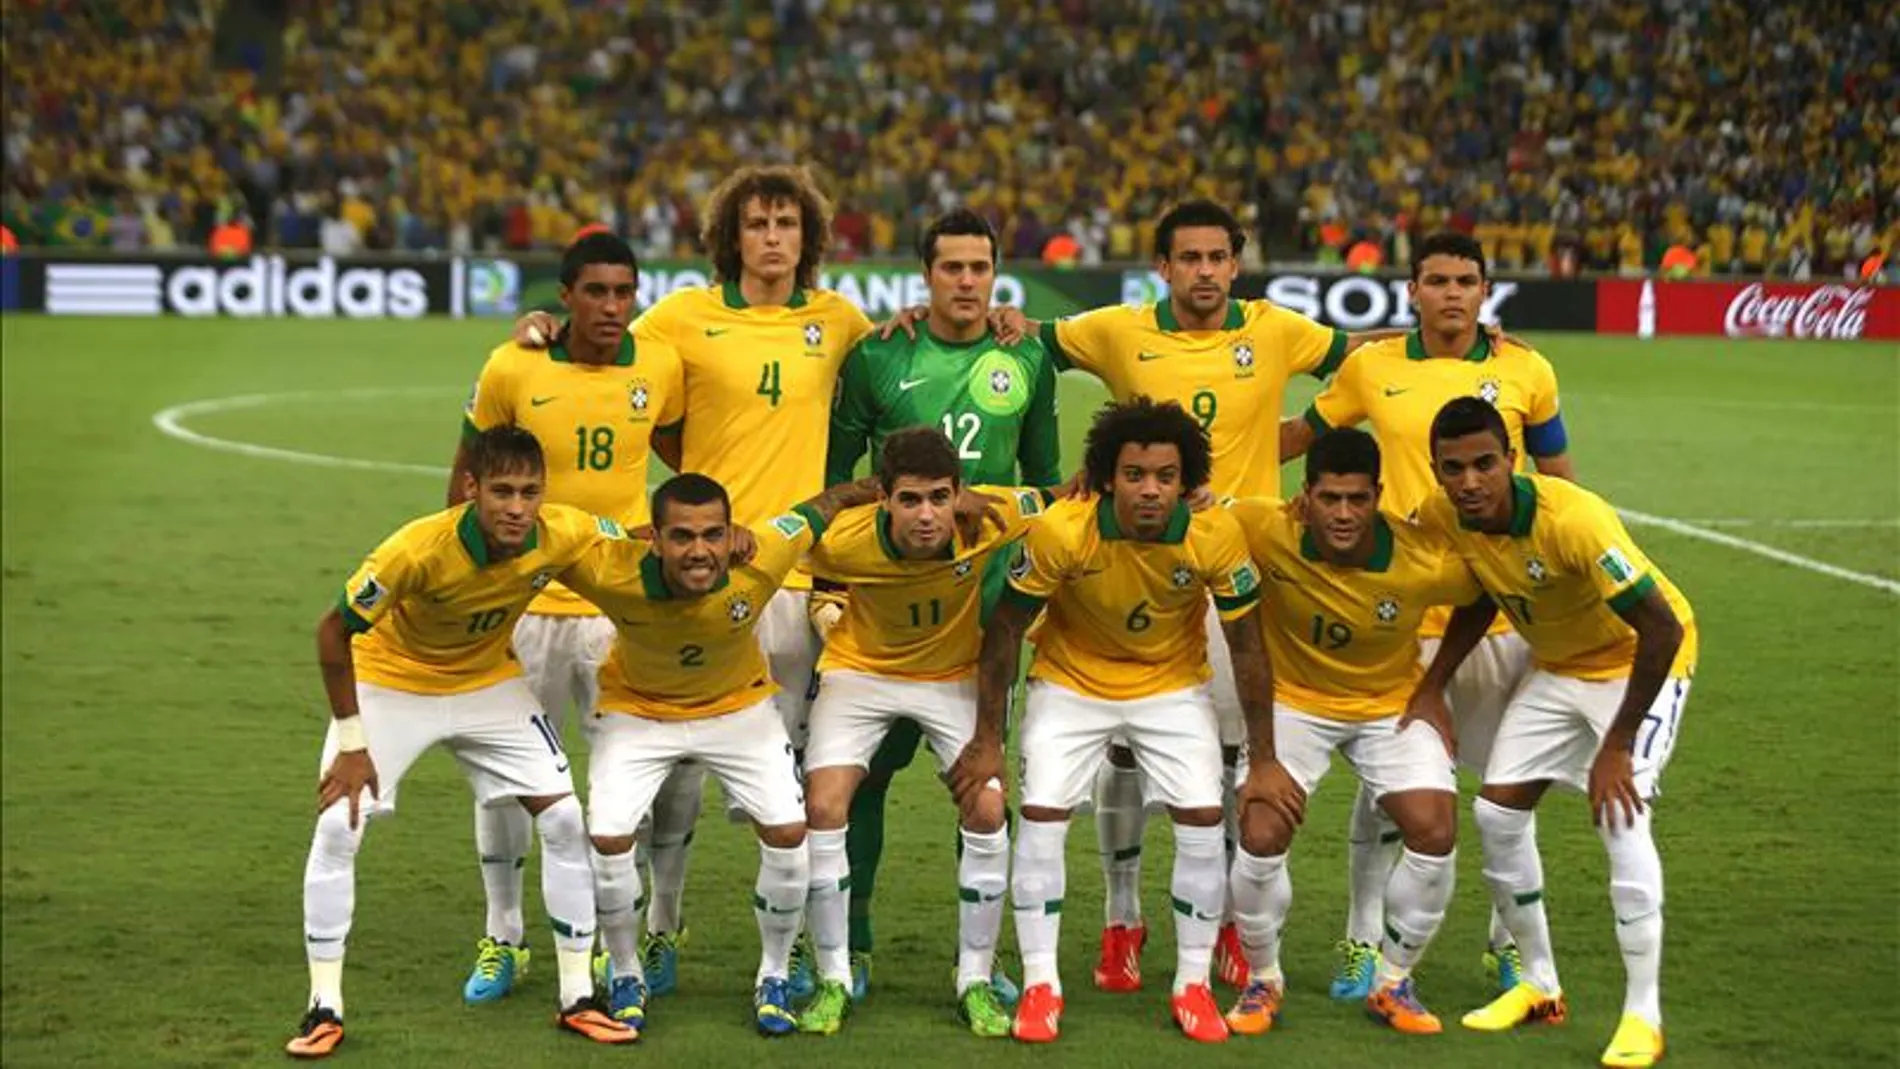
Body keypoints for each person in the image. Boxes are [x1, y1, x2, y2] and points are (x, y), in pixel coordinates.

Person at [511, 165, 875, 994]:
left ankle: (794, 959)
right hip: (695, 572)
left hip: (791, 577)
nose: (774, 237)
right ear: (731, 237)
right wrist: (538, 324)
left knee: (779, 782)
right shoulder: (680, 317)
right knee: (669, 766)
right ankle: (658, 927)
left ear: (808, 237)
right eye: (758, 224)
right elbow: (616, 368)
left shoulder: (839, 318)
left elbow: (895, 362)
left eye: (787, 223)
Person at [1005, 199, 1372, 990]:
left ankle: (1232, 923)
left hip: (1233, 566)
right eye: (1189, 258)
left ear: (1236, 264)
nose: (1205, 271)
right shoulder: (1116, 329)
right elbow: (1028, 341)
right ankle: (1121, 920)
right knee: (1125, 750)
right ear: (1164, 268)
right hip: (1132, 560)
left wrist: (1308, 431)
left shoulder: (1276, 329)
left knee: (1234, 759)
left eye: (1218, 257)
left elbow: (1366, 360)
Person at [1282, 230, 1576, 1000]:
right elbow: (1307, 440)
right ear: (1412, 289)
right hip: (1401, 608)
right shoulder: (1371, 365)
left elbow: (1560, 484)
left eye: (1466, 280)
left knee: (1510, 783)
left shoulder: (1527, 369)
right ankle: (1360, 937)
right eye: (1437, 279)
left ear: (1486, 290)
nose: (1452, 292)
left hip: (1499, 613)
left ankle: (1507, 943)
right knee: (1387, 789)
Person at [285, 427, 638, 1058]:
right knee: (340, 825)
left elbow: (631, 540)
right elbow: (331, 632)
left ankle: (577, 996)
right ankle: (323, 1006)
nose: (516, 506)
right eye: (502, 491)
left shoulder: (562, 531)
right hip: (392, 682)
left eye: (530, 492)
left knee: (563, 817)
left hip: (486, 683)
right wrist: (352, 741)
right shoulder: (415, 550)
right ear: (471, 489)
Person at [951, 397, 1275, 1044]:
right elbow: (1005, 631)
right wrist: (987, 741)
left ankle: (1191, 983)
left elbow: (1246, 647)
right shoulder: (1064, 531)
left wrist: (1263, 758)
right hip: (1071, 683)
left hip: (1173, 687)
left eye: (1163, 475)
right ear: (1107, 477)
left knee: (1203, 816)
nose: (1149, 490)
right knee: (1042, 813)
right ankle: (1043, 983)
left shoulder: (1215, 535)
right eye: (1133, 475)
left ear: (1187, 482)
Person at [1410, 398, 1695, 1069]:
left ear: (1512, 460)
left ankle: (1642, 1014)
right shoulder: (1449, 511)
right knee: (1497, 812)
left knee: (1620, 816)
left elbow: (1662, 627)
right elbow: (1481, 591)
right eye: (1456, 468)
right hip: (1561, 666)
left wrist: (1617, 745)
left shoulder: (1574, 518)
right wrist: (1431, 686)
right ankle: (1540, 983)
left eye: (1485, 463)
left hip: (1637, 661)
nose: (1471, 480)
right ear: (1438, 470)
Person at [822, 207, 1062, 1000]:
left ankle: (981, 962)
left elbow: (1046, 481)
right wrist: (830, 588)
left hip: (986, 610)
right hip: (885, 607)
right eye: (951, 267)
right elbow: (839, 481)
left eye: (979, 267)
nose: (966, 281)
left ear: (997, 274)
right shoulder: (877, 357)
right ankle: (849, 946)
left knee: (979, 778)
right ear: (925, 274)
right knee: (864, 781)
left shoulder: (1025, 352)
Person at [557, 471, 885, 1038]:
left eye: (713, 534)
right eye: (681, 537)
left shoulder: (761, 558)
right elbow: (554, 534)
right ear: (654, 541)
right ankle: (627, 971)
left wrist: (882, 485)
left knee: (788, 831)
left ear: (732, 533)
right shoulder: (608, 570)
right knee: (609, 836)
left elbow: (819, 505)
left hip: (738, 711)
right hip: (640, 712)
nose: (700, 551)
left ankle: (773, 975)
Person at [448, 232, 683, 1005]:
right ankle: (504, 934)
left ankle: (647, 933)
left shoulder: (659, 365)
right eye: (596, 292)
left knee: (632, 782)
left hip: (617, 607)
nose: (613, 306)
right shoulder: (514, 363)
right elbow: (465, 481)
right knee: (502, 783)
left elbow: (688, 454)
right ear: (566, 296)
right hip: (522, 609)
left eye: (625, 290)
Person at [1221, 428, 1479, 1038]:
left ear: (1378, 497)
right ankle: (1264, 980)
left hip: (1388, 706)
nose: (1342, 514)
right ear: (1303, 495)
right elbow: (1194, 509)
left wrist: (1434, 685)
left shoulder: (1422, 561)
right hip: (1293, 705)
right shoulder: (1264, 527)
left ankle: (1393, 981)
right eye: (1329, 498)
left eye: (1357, 500)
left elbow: (1483, 594)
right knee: (1259, 828)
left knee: (1435, 830)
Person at [798, 427, 1050, 1036]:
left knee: (988, 810)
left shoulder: (991, 517)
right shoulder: (845, 541)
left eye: (939, 497)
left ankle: (976, 978)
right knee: (823, 808)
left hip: (950, 675)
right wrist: (837, 499)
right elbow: (766, 539)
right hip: (861, 674)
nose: (927, 514)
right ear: (883, 498)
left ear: (959, 492)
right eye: (909, 499)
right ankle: (834, 976)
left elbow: (1068, 494)